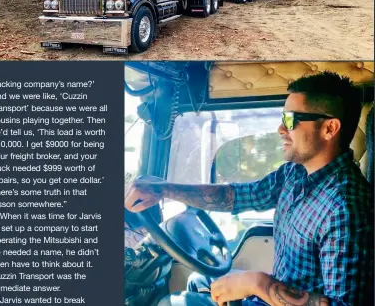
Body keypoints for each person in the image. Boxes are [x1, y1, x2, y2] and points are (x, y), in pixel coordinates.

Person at [125, 71, 374, 306]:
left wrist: (258, 283)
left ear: (330, 128)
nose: (280, 129)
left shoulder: (346, 208)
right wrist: (163, 190)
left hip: (269, 295)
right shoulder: (295, 173)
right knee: (198, 281)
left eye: (290, 119)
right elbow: (236, 196)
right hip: (272, 296)